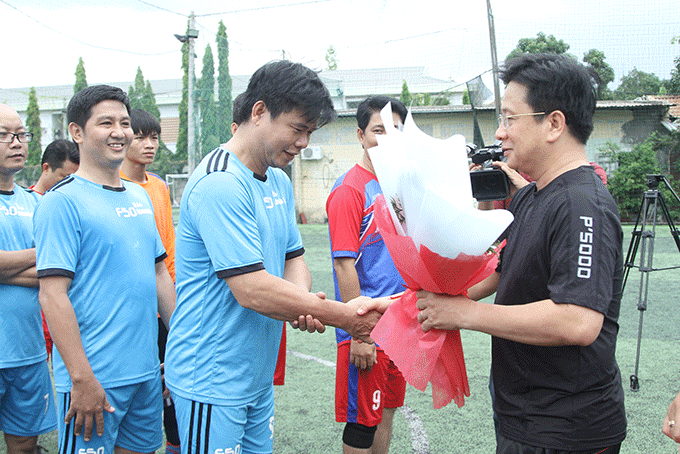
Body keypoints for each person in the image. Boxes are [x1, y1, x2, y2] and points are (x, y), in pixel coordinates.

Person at [366, 53, 628, 453]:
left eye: (510, 119)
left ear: (554, 123)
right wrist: (412, 306)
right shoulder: (532, 195)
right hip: (523, 414)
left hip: (568, 428)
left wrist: (465, 315)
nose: (500, 133)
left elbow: (578, 320)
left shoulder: (581, 203)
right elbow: (503, 276)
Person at [164, 60, 381, 454]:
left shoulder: (278, 179)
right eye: (298, 129)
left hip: (255, 375)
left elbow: (293, 257)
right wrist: (343, 317)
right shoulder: (221, 183)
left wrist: (303, 304)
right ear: (259, 112)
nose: (303, 143)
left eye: (309, 132)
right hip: (210, 377)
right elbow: (251, 290)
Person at [34, 85, 176, 454]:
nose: (119, 132)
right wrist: (81, 378)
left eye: (124, 122)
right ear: (77, 132)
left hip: (146, 374)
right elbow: (52, 294)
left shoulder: (140, 196)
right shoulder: (61, 202)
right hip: (93, 380)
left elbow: (160, 275)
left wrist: (177, 350)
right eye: (106, 123)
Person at [326, 96, 407, 454]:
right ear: (361, 135)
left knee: (386, 415)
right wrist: (359, 334)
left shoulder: (397, 187)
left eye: (396, 130)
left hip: (399, 324)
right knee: (361, 424)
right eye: (379, 129)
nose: (388, 137)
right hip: (366, 329)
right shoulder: (349, 190)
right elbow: (345, 264)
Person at [119, 108, 180, 454]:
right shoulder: (116, 188)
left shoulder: (158, 186)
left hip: (167, 302)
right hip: (135, 310)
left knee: (173, 393)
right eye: (140, 135)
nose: (148, 144)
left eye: (154, 137)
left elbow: (168, 249)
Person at [0, 103, 58, 454]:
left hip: (28, 352)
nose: (17, 142)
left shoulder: (35, 203)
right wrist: (44, 256)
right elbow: (48, 261)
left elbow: (58, 270)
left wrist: (5, 269)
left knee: (24, 445)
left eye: (21, 134)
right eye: (4, 135)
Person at [29, 138, 80, 362]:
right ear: (46, 168)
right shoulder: (27, 204)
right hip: (33, 319)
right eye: (64, 178)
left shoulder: (73, 206)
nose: (69, 185)